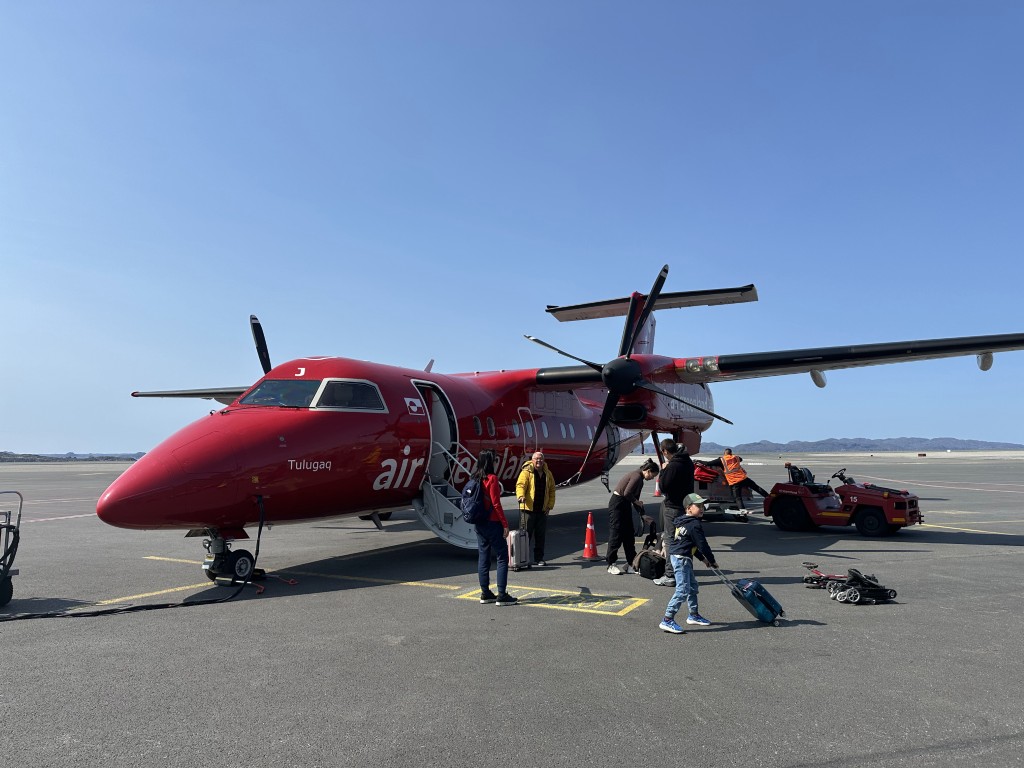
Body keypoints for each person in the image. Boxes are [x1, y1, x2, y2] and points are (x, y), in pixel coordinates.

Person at [659, 493, 719, 634]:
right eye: (698, 506)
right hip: (681, 559)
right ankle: (667, 619)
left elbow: (691, 545)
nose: (702, 508)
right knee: (683, 590)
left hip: (680, 556)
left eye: (702, 505)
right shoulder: (694, 524)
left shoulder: (682, 521)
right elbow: (702, 545)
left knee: (692, 586)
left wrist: (703, 560)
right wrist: (712, 560)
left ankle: (693, 615)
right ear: (688, 508)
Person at [473, 450, 517, 606]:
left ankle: (485, 593)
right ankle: (502, 594)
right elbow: (496, 504)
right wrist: (505, 524)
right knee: (502, 557)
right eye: (495, 460)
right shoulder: (492, 479)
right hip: (492, 522)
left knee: (483, 557)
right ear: (490, 462)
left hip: (479, 523)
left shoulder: (475, 478)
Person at [652, 438, 694, 587]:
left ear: (665, 451)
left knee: (670, 540)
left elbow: (663, 486)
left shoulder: (673, 466)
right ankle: (686, 572)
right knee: (684, 539)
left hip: (673, 507)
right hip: (686, 506)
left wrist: (663, 470)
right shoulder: (688, 462)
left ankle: (670, 575)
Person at [606, 458, 659, 575]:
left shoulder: (640, 479)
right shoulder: (636, 476)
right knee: (616, 534)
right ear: (648, 471)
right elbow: (627, 493)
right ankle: (611, 564)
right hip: (617, 504)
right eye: (653, 475)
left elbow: (635, 500)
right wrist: (636, 501)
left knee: (629, 535)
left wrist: (643, 515)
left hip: (625, 504)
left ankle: (631, 563)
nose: (652, 478)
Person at [516, 451, 556, 566]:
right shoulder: (526, 472)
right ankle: (523, 559)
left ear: (544, 461)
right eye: (536, 459)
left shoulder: (548, 474)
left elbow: (552, 490)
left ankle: (539, 559)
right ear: (532, 460)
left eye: (541, 459)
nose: (539, 461)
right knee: (525, 536)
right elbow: (520, 485)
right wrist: (521, 496)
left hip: (542, 511)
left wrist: (550, 506)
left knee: (540, 536)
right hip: (528, 510)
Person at [706, 448, 769, 513]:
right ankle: (768, 496)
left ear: (724, 453)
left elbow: (708, 463)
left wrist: (699, 462)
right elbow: (741, 459)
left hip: (734, 481)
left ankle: (742, 510)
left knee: (738, 497)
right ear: (731, 453)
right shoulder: (736, 457)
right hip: (743, 478)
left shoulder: (721, 460)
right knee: (756, 487)